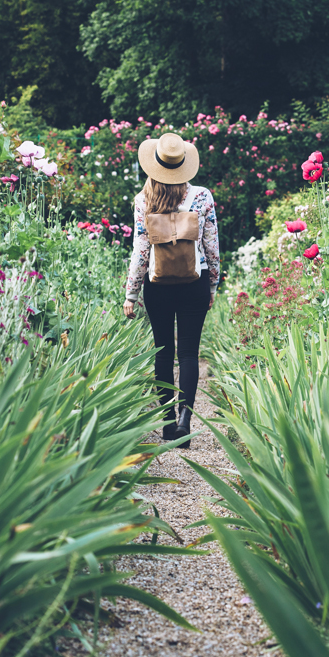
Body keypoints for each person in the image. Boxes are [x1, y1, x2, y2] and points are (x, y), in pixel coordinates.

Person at [123, 132, 221, 446]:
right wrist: (213, 284)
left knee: (163, 353)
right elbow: (212, 246)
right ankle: (184, 421)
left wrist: (131, 293)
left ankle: (167, 423)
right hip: (195, 282)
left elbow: (140, 250)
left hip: (157, 284)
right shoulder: (203, 196)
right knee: (189, 353)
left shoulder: (143, 200)